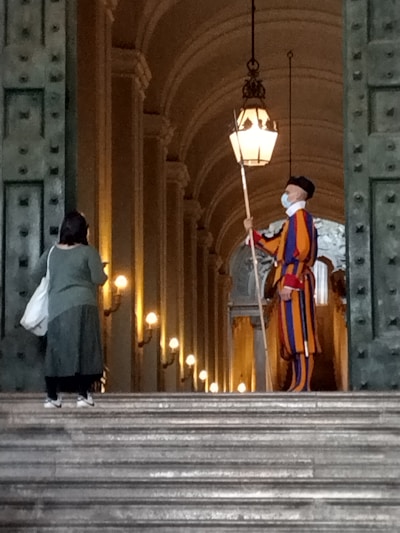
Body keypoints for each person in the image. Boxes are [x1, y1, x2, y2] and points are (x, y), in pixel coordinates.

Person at [244, 176, 320, 392]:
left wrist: (290, 282)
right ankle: (297, 381)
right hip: (289, 282)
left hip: (296, 283)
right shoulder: (292, 221)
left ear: (298, 193)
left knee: (301, 334)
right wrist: (253, 234)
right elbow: (277, 245)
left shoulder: (301, 218)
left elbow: (301, 251)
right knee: (290, 335)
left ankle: (303, 383)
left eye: (288, 192)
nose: (285, 195)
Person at [32, 210, 107, 407]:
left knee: (55, 349)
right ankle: (83, 394)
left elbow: (36, 272)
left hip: (57, 306)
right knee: (85, 348)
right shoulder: (88, 252)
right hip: (84, 305)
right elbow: (99, 279)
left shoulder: (52, 252)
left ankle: (52, 396)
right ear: (84, 230)